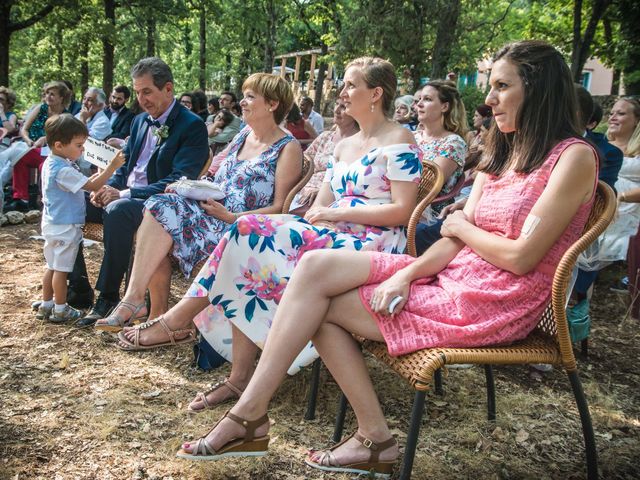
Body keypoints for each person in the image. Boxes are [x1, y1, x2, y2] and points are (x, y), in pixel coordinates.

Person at [172, 40, 598, 477]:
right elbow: (452, 242)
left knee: (318, 307)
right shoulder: (500, 156)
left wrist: (461, 228)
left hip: (493, 299)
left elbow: (521, 258)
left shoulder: (573, 157)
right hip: (451, 273)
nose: (488, 101)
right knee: (314, 268)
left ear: (539, 88)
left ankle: (302, 426)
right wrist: (407, 274)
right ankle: (268, 417)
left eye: (501, 87)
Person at [117, 57, 421, 413]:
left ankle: (183, 324)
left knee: (251, 234)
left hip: (374, 243)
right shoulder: (345, 145)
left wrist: (333, 215)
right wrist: (313, 221)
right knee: (247, 235)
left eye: (351, 85)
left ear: (376, 93)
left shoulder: (400, 139)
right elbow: (318, 208)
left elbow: (402, 210)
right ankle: (235, 371)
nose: (342, 92)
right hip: (332, 233)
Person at [94, 73, 302, 330]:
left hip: (240, 226)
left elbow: (281, 207)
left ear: (272, 104)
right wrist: (188, 187)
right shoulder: (243, 135)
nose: (242, 103)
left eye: (250, 97)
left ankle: (146, 308)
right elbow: (213, 174)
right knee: (160, 204)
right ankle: (137, 300)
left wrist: (229, 216)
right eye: (244, 96)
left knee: (161, 217)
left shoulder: (288, 147)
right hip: (209, 210)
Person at [69, 57, 209, 327]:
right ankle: (78, 287)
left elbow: (180, 179)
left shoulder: (192, 126)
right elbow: (125, 166)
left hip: (157, 204)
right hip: (122, 195)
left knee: (118, 211)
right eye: (137, 92)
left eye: (147, 91)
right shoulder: (139, 121)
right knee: (71, 205)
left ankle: (109, 298)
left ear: (168, 89)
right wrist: (106, 187)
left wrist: (122, 194)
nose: (141, 99)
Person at [37, 114, 125, 323]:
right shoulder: (63, 170)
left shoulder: (53, 163)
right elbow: (92, 186)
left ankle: (46, 304)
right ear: (59, 145)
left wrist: (102, 171)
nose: (82, 149)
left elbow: (86, 181)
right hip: (65, 226)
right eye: (78, 145)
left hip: (52, 223)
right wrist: (112, 168)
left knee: (51, 266)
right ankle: (60, 309)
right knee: (62, 269)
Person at [577, 96, 640, 290]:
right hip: (602, 202)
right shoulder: (600, 143)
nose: (613, 117)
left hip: (628, 206)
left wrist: (619, 197)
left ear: (637, 120)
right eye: (611, 113)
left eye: (620, 114)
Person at [412, 80, 468, 253]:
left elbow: (426, 185)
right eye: (419, 99)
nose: (419, 104)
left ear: (444, 106)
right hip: (398, 201)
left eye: (427, 99)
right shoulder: (411, 136)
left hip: (430, 214)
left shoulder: (453, 143)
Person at [5, 81, 70, 212]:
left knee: (44, 165)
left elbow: (64, 139)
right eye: (47, 93)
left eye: (52, 94)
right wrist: (28, 140)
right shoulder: (41, 108)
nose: (48, 97)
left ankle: (44, 200)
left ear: (61, 98)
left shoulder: (65, 116)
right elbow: (24, 129)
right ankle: (21, 199)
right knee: (20, 158)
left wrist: (46, 138)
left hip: (50, 152)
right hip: (30, 147)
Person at [288, 99, 359, 216]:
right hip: (301, 191)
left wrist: (322, 192)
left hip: (328, 198)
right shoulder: (325, 137)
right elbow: (303, 163)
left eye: (343, 107)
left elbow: (351, 180)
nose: (336, 110)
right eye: (337, 104)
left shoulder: (358, 143)